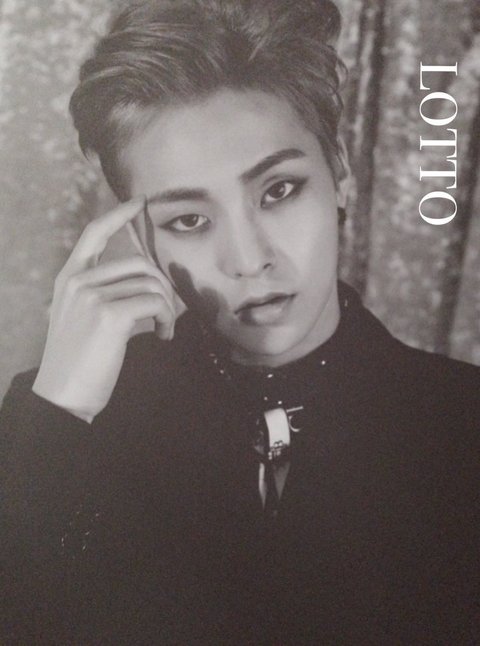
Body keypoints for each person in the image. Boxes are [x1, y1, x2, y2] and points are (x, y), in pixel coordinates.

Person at [1, 0, 479, 643]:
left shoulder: (464, 424)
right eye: (188, 220)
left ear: (338, 171)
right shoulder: (59, 429)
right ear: (139, 234)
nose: (250, 260)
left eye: (278, 190)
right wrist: (59, 413)